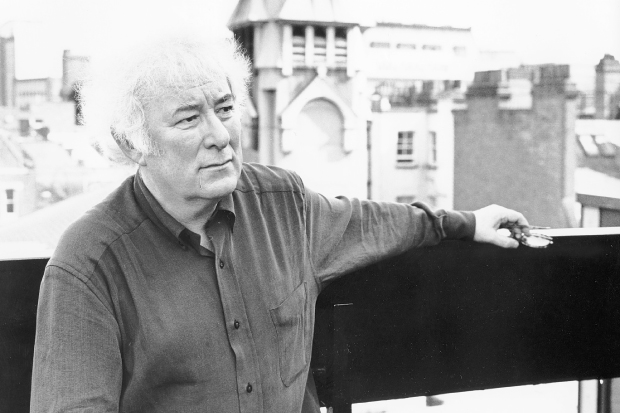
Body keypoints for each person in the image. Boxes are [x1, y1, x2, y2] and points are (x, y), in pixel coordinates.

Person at [30, 24, 530, 413]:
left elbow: (374, 222)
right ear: (132, 141)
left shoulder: (282, 203)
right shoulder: (90, 263)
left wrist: (465, 223)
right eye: (188, 118)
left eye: (225, 108)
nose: (220, 135)